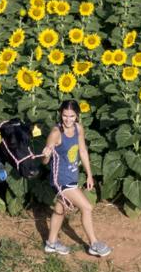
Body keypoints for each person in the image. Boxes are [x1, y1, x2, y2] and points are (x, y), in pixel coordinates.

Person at [41, 99, 112, 257]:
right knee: (87, 207)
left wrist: (89, 174)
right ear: (60, 114)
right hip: (60, 180)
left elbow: (83, 152)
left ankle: (51, 243)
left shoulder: (78, 128)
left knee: (60, 210)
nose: (68, 119)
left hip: (72, 176)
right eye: (65, 115)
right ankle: (93, 244)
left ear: (77, 116)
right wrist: (46, 154)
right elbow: (45, 161)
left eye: (71, 116)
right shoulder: (55, 133)